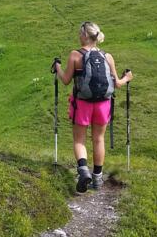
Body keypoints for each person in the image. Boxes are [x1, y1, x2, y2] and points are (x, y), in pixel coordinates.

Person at [52, 21, 133, 193]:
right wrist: (127, 77)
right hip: (103, 104)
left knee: (79, 140)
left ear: (84, 35)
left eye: (80, 34)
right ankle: (97, 179)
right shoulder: (107, 56)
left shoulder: (75, 55)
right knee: (98, 139)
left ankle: (83, 172)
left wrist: (57, 67)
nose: (78, 36)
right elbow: (117, 83)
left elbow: (66, 80)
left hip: (82, 103)